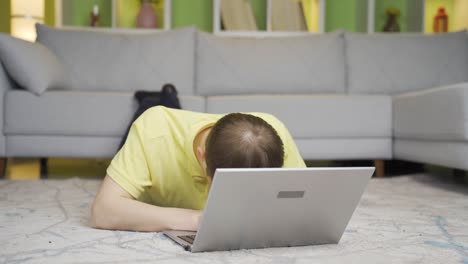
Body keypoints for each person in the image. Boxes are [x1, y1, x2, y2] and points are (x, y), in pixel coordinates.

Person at [91, 106, 305, 232]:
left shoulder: (272, 133)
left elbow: (307, 203)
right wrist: (198, 220)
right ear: (202, 158)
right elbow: (103, 212)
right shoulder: (154, 130)